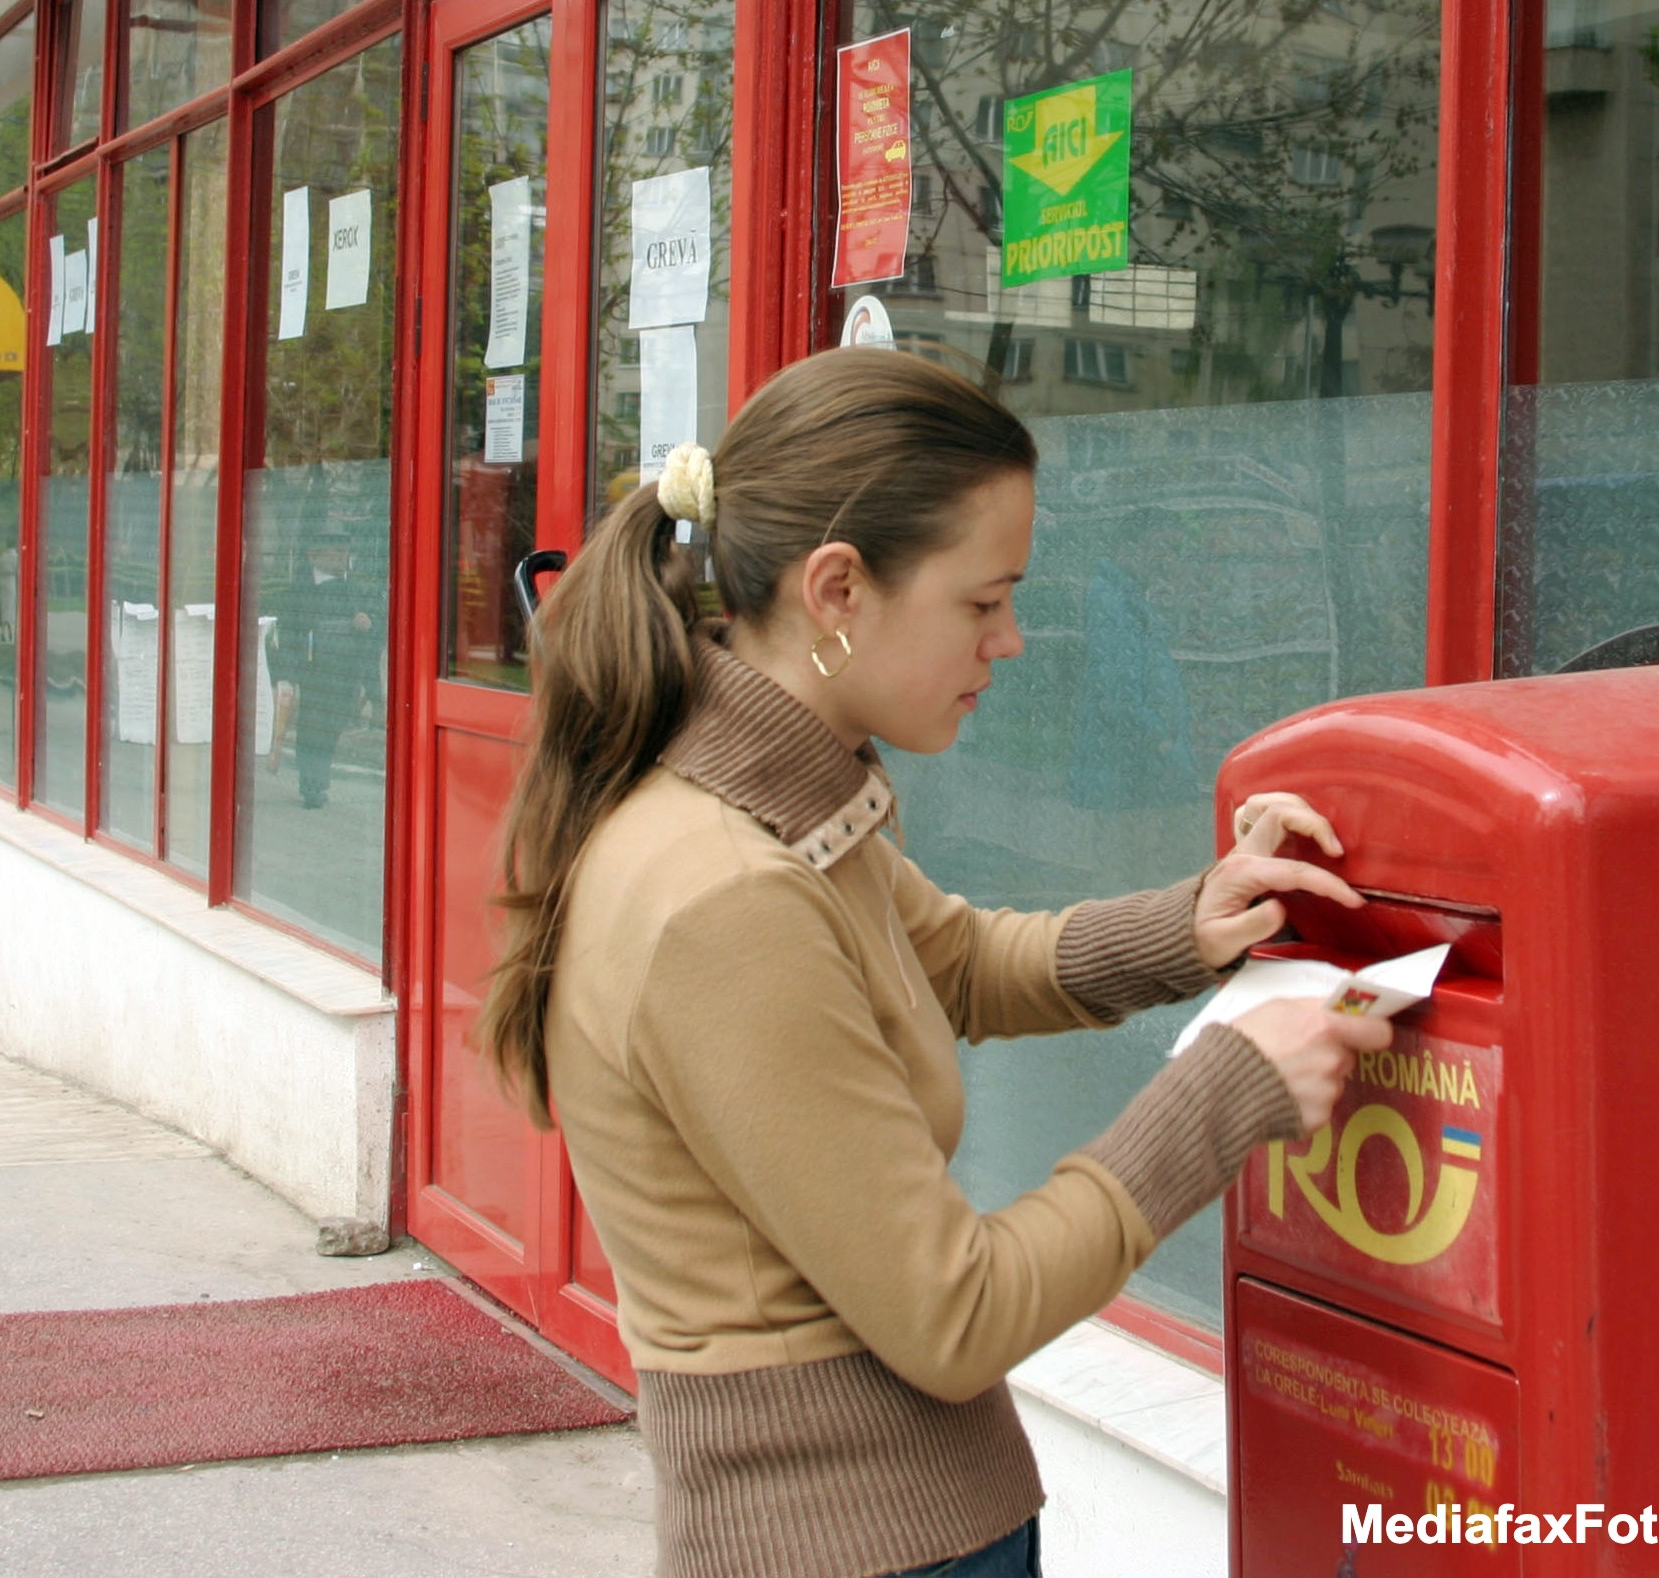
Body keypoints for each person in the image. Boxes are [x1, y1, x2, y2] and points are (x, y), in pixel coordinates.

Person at [478, 350, 1388, 1578]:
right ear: (839, 590)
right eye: (981, 602)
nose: (1011, 641)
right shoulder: (728, 895)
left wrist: (1195, 923)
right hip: (854, 1549)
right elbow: (953, 1313)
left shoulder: (772, 801)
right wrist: (1226, 1086)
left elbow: (953, 960)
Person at [269, 524, 382, 809]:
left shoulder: (357, 589)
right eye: (336, 551)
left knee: (332, 727)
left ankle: (316, 777)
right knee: (311, 727)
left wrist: (368, 623)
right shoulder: (298, 591)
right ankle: (313, 783)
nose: (343, 556)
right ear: (314, 556)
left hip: (346, 674)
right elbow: (287, 635)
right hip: (311, 673)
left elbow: (378, 630)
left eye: (345, 551)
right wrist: (287, 678)